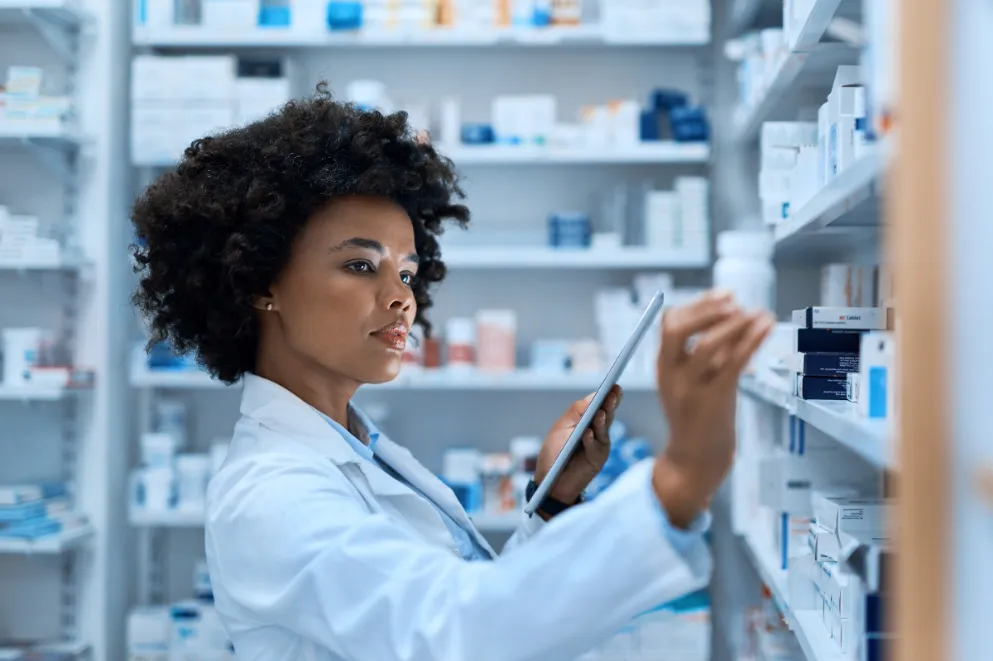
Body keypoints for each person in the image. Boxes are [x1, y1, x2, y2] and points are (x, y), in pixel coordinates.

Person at [131, 84, 773, 661]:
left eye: (407, 273)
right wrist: (682, 477)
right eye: (361, 266)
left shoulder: (359, 448)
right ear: (262, 281)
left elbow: (475, 602)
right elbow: (459, 635)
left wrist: (551, 503)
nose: (402, 297)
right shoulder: (271, 496)